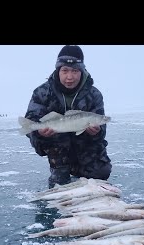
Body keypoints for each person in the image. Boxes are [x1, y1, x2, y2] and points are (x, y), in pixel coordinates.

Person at [24, 45, 112, 188]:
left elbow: (101, 133)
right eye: (65, 70)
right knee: (59, 184)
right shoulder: (42, 92)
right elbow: (32, 120)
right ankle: (60, 171)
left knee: (101, 175)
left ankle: (88, 171)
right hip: (58, 149)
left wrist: (97, 132)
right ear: (58, 70)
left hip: (86, 148)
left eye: (75, 71)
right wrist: (39, 132)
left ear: (82, 70)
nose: (69, 77)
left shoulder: (94, 94)